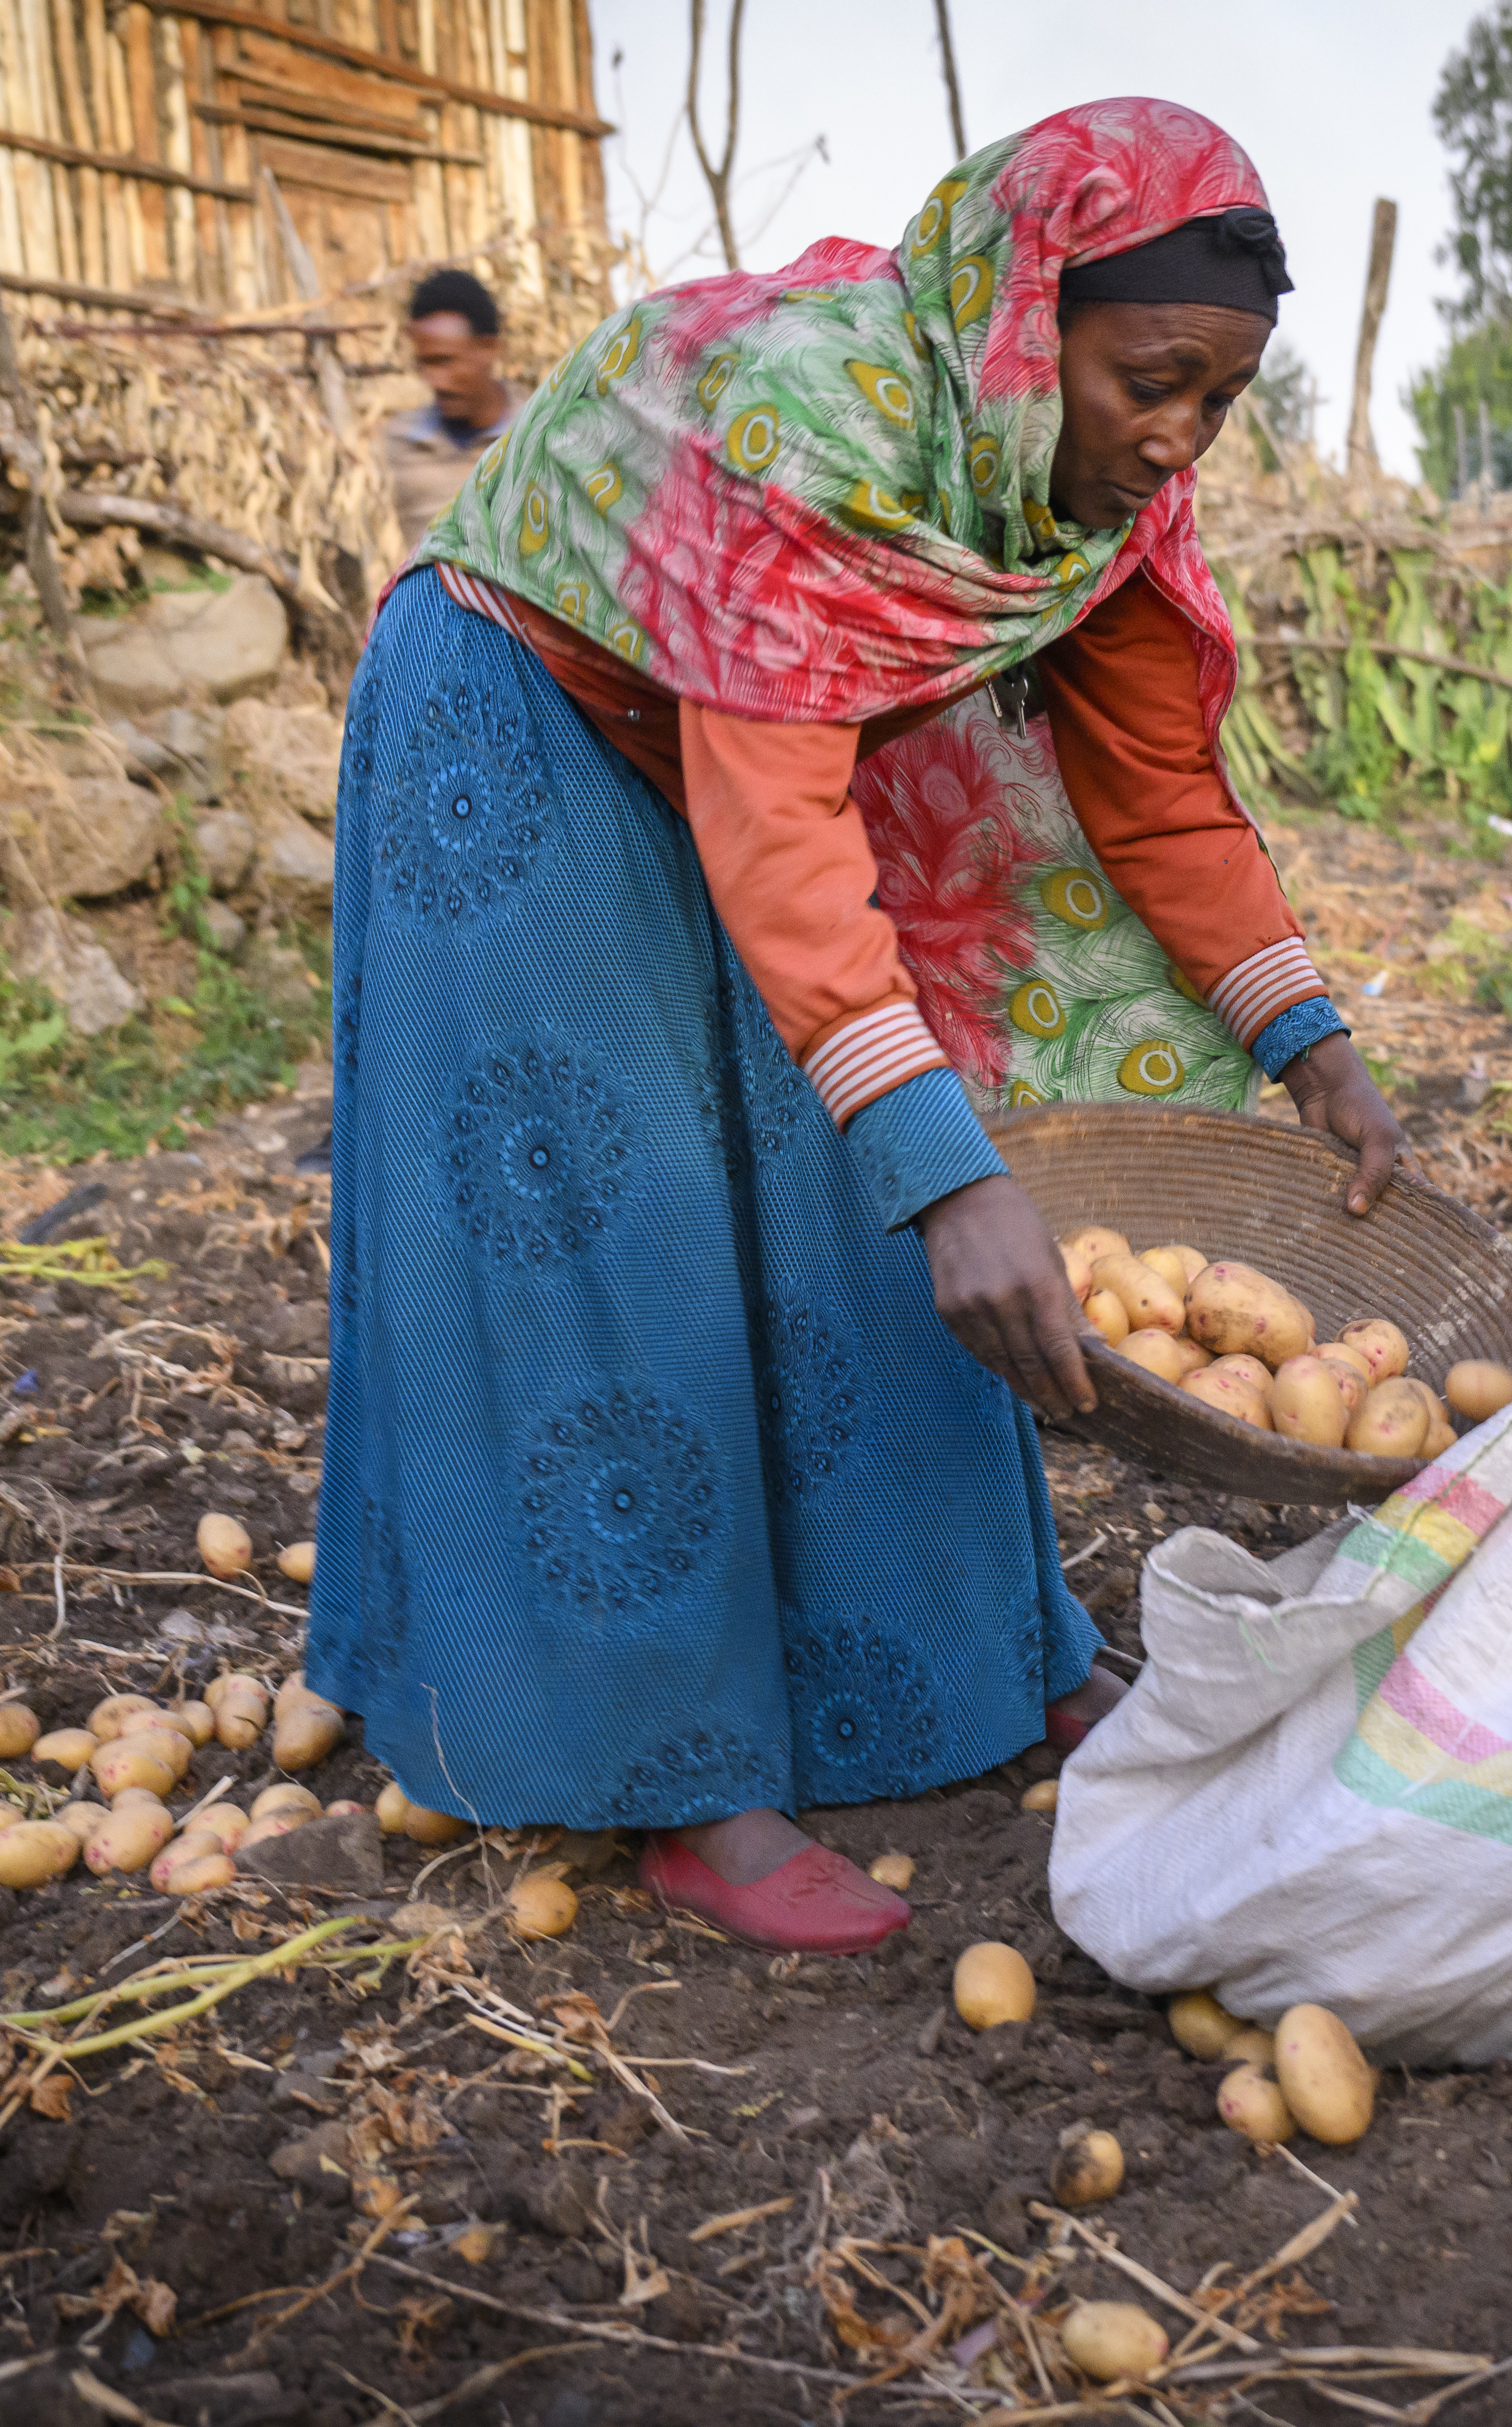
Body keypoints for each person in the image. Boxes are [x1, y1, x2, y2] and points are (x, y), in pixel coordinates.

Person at [306, 100, 1404, 1952]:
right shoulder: (810, 422)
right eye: (1150, 379)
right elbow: (781, 822)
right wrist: (936, 1164)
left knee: (870, 1199)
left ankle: (973, 1663)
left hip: (726, 749)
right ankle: (680, 1775)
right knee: (626, 1214)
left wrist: (1314, 1044)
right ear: (1020, 325)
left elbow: (1154, 786)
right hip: (515, 704)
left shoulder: (1091, 492)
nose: (1175, 433)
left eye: (1217, 399)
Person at [382, 268, 519, 550]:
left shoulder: (540, 438)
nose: (436, 381)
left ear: (489, 349)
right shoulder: (398, 447)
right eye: (426, 363)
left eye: (446, 361)